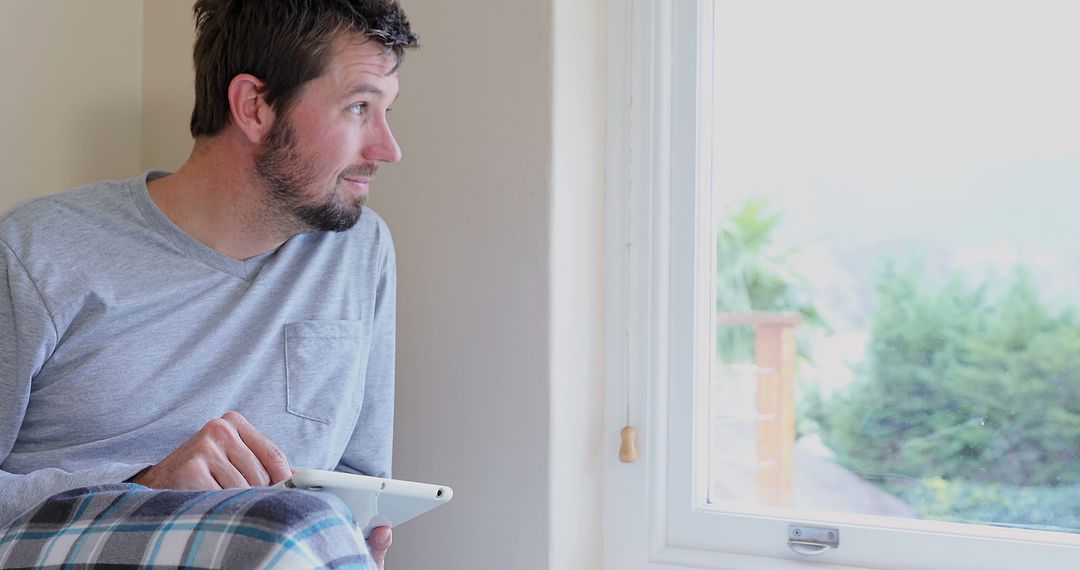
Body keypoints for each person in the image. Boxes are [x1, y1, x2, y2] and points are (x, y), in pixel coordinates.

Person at [0, 0, 417, 568]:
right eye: (359, 107)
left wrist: (355, 532)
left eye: (385, 110)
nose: (388, 149)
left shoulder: (361, 252)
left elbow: (361, 484)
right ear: (253, 107)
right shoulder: (36, 251)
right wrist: (145, 485)